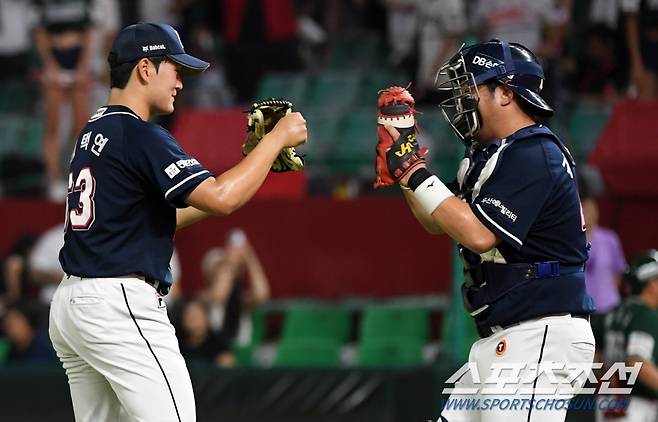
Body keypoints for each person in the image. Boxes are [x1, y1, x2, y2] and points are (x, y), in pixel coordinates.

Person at [47, 22, 306, 422]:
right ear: (145, 69)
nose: (181, 83)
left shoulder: (93, 131)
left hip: (74, 305)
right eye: (175, 69)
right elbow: (222, 199)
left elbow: (164, 214)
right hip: (118, 305)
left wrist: (255, 165)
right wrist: (275, 140)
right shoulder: (140, 135)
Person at [377, 40, 596, 421]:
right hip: (506, 338)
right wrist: (405, 173)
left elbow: (479, 235)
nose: (462, 101)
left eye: (471, 89)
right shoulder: (496, 154)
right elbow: (437, 221)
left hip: (538, 334)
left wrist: (413, 170)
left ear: (506, 94)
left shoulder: (533, 151)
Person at [34, 0, 95, 201]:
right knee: (53, 125)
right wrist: (50, 65)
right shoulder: (42, 4)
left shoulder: (84, 4)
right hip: (54, 58)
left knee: (80, 126)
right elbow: (40, 32)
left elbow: (88, 31)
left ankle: (77, 178)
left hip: (77, 59)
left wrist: (83, 66)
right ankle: (53, 180)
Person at [600, 250, 658, 421]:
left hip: (609, 402)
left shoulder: (613, 313)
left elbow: (597, 357)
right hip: (637, 406)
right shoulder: (646, 315)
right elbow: (637, 362)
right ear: (651, 283)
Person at [201, 228, 270, 345]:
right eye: (220, 267)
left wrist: (249, 257)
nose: (224, 271)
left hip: (240, 353)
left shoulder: (240, 298)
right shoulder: (203, 298)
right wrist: (229, 263)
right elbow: (219, 296)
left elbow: (262, 294)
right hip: (213, 352)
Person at [177, 298, 235, 367]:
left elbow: (228, 362)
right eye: (189, 316)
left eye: (196, 316)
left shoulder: (219, 343)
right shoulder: (176, 342)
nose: (193, 320)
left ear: (206, 318)